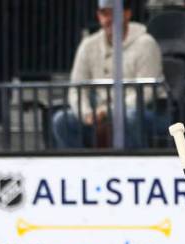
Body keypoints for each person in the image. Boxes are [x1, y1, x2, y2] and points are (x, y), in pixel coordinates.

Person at [53, 0, 167, 149]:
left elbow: (145, 92)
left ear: (127, 14)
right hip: (100, 112)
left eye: (113, 13)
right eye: (104, 14)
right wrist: (86, 113)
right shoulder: (88, 45)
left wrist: (108, 112)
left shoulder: (146, 43)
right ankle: (82, 169)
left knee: (129, 116)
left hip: (147, 111)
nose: (108, 19)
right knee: (62, 120)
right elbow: (76, 88)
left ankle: (137, 165)